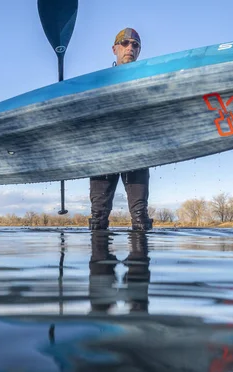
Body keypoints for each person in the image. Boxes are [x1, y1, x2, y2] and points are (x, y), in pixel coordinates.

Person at [88, 28, 153, 231]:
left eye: (135, 45)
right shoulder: (99, 82)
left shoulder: (149, 80)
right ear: (115, 48)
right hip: (103, 153)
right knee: (98, 217)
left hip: (137, 152)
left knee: (140, 217)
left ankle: (140, 261)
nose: (130, 48)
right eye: (125, 43)